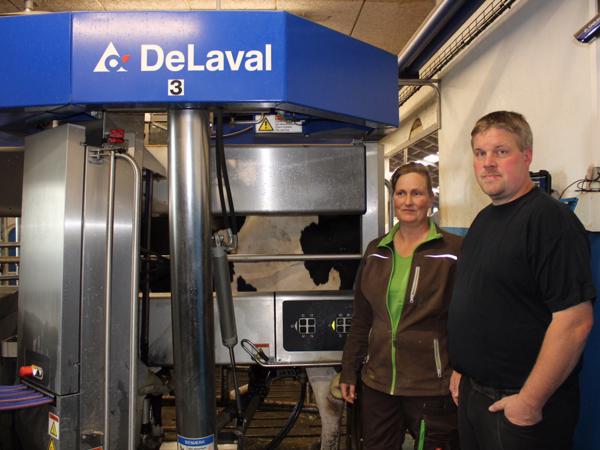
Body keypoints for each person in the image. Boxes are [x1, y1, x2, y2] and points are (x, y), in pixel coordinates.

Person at [448, 111, 595, 450]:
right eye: (480, 153)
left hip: (518, 407)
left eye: (501, 151)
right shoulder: (484, 219)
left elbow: (575, 321)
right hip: (474, 395)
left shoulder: (549, 221)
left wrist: (529, 402)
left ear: (527, 156)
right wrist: (462, 370)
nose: (487, 162)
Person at [340, 162, 462, 450]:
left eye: (417, 193)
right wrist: (349, 369)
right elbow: (362, 318)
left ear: (430, 198)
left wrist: (462, 370)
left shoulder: (453, 251)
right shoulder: (376, 251)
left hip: (432, 386)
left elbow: (467, 320)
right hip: (378, 384)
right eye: (401, 193)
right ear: (393, 198)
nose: (408, 201)